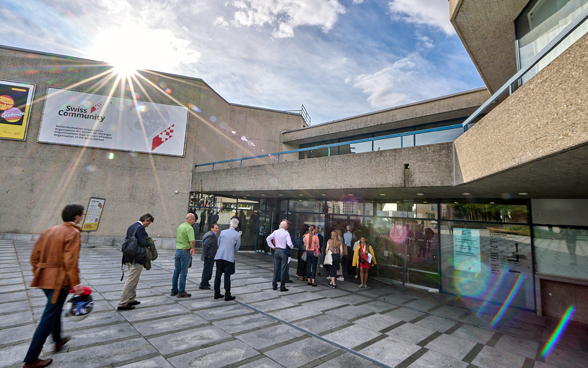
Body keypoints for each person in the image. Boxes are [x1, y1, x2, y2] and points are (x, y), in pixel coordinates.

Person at [23, 204, 85, 368]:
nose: (83, 217)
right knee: (48, 317)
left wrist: (40, 271)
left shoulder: (50, 230)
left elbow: (34, 257)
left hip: (44, 279)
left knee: (54, 309)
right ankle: (31, 360)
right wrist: (75, 283)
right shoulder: (73, 232)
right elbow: (70, 262)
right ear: (76, 217)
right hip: (60, 282)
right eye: (82, 215)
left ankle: (57, 340)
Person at [118, 213, 154, 310]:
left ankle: (131, 299)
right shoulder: (141, 228)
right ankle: (123, 303)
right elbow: (142, 242)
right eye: (149, 223)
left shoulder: (132, 226)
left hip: (129, 257)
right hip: (136, 259)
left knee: (134, 279)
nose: (148, 225)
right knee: (131, 280)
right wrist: (150, 242)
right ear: (146, 220)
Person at [214, 218, 241, 301]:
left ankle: (216, 293)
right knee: (227, 276)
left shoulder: (222, 232)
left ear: (230, 224)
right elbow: (237, 246)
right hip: (228, 257)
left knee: (218, 275)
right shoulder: (237, 235)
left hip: (219, 256)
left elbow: (218, 243)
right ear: (236, 226)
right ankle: (227, 294)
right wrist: (232, 253)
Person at [171, 213, 196, 298]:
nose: (194, 221)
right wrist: (192, 248)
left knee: (176, 270)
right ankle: (181, 291)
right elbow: (192, 241)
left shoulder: (180, 226)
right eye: (194, 219)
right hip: (185, 251)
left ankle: (174, 290)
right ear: (190, 219)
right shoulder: (189, 228)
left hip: (178, 250)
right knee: (183, 272)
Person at [266, 220, 294, 292]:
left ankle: (274, 285)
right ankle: (282, 286)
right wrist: (292, 247)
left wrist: (272, 246)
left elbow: (268, 239)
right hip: (283, 251)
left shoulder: (275, 232)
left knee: (276, 268)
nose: (287, 227)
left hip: (277, 250)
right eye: (287, 226)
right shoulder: (286, 233)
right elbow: (289, 243)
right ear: (285, 227)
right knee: (283, 269)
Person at [200, 223, 219, 289]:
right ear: (212, 228)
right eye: (216, 228)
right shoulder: (211, 235)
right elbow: (206, 245)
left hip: (210, 255)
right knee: (207, 269)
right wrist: (207, 255)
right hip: (209, 256)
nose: (217, 229)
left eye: (217, 228)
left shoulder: (210, 234)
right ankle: (203, 284)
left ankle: (206, 281)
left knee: (209, 269)